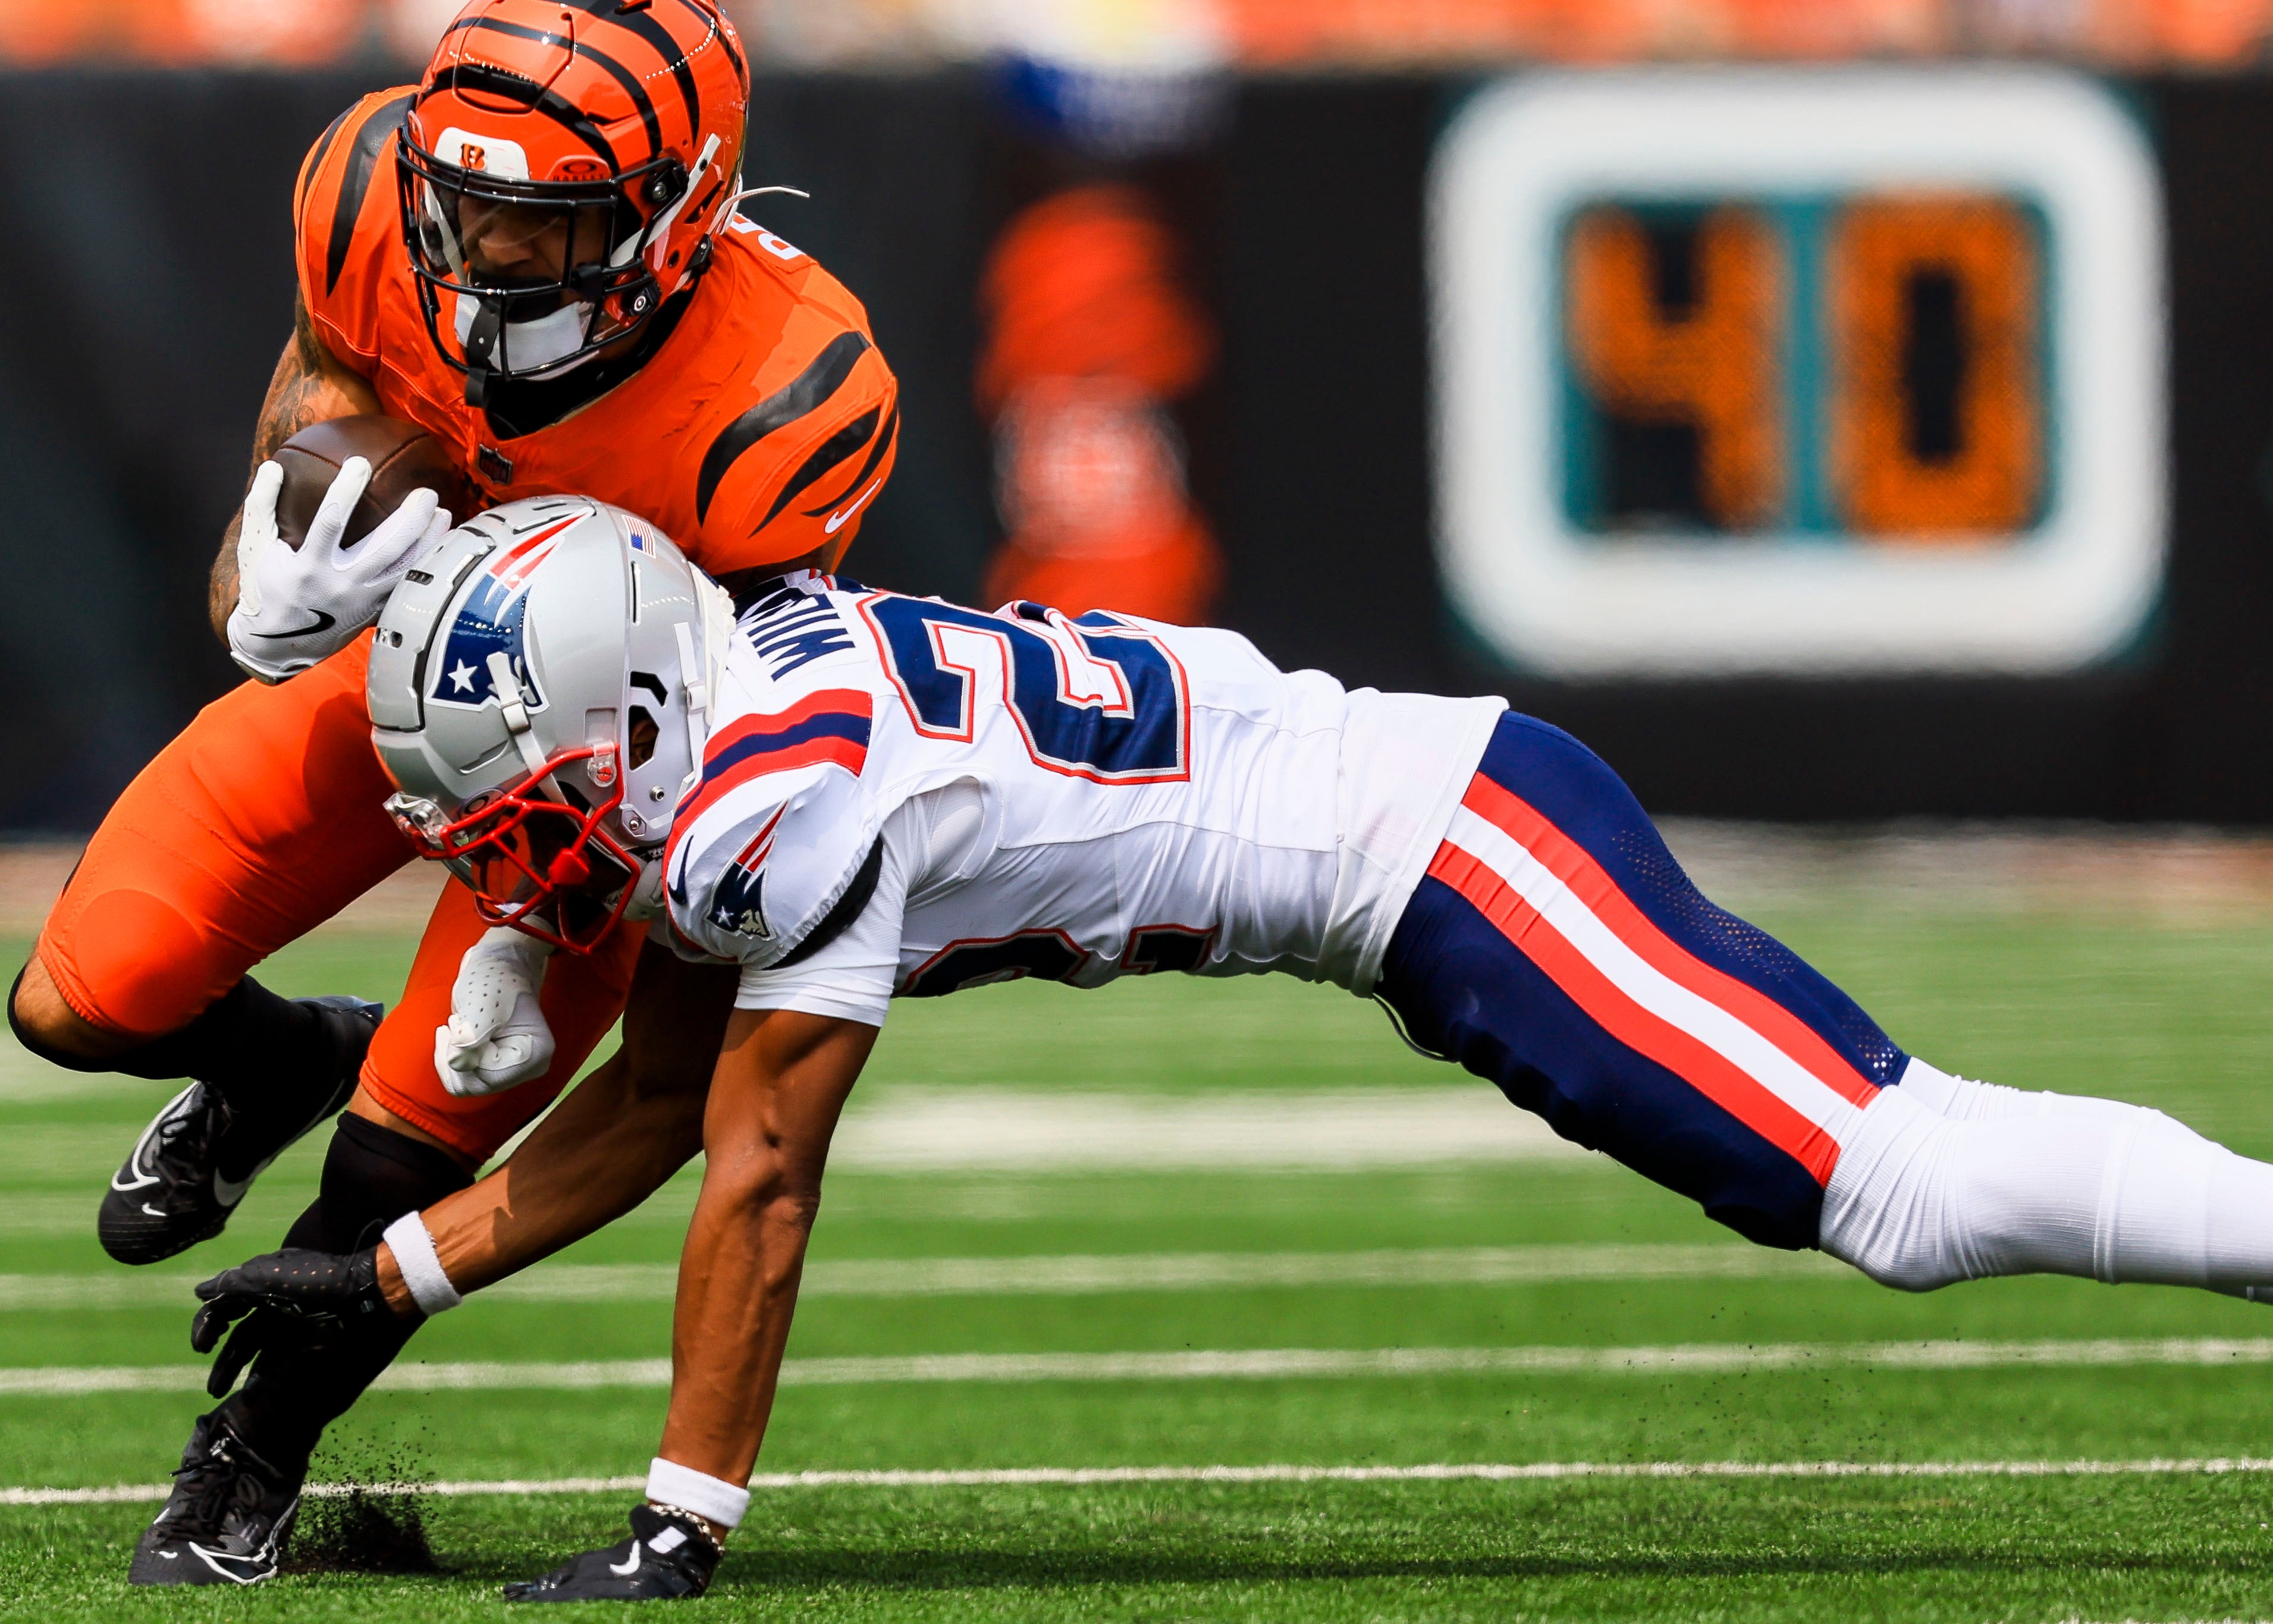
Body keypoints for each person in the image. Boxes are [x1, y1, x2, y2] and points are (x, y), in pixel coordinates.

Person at [191, 496, 2273, 1601]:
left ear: (630, 711)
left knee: (1892, 1182)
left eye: (518, 798)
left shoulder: (766, 805)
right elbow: (655, 1101)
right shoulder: (737, 701)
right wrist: (395, 1267)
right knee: (1886, 1173)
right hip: (1425, 864)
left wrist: (681, 1517)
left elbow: (756, 1166)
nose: (502, 853)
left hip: (1450, 854)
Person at [0, 0, 900, 1587]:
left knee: (402, 1150)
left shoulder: (790, 394)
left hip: (586, 795)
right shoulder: (367, 182)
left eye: (542, 222)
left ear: (677, 211)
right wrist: (270, 564)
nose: (482, 248)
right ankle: (275, 1059)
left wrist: (539, 910)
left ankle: (251, 1460)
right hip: (383, 669)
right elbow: (328, 391)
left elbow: (743, 725)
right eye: (463, 205)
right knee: (80, 996)